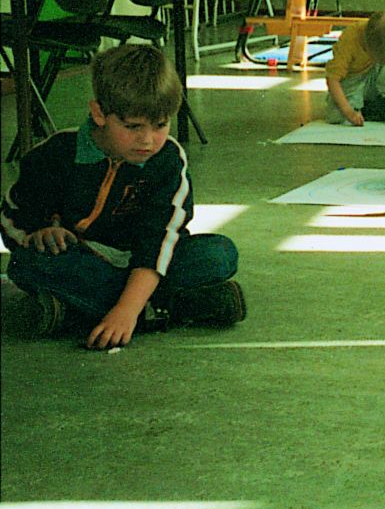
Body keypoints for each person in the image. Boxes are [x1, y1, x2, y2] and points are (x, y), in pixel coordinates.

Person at [2, 45, 243, 349]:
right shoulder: (56, 153)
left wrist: (127, 310)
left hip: (143, 261)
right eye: (133, 127)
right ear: (99, 113)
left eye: (160, 125)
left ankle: (77, 313)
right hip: (82, 260)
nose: (147, 140)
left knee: (220, 253)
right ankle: (171, 308)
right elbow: (12, 215)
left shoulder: (168, 160)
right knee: (27, 264)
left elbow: (159, 241)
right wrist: (38, 232)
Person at [324, 10, 385, 125]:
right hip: (354, 80)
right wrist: (349, 112)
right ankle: (362, 107)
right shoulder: (351, 37)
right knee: (336, 116)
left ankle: (384, 100)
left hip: (378, 80)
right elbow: (332, 78)